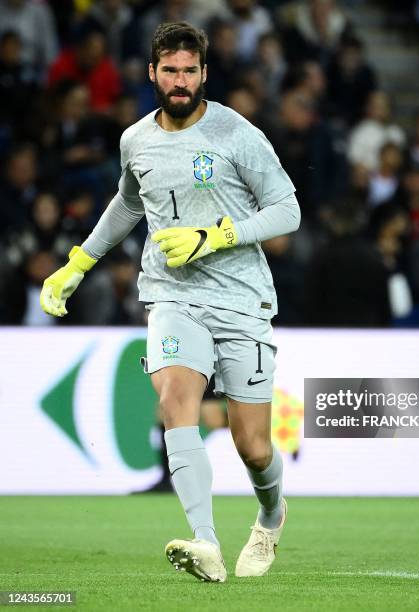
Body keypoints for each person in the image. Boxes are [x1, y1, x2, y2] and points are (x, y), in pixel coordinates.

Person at [39, 21, 300, 583]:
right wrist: (77, 263)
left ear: (204, 73)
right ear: (152, 74)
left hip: (241, 298)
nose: (180, 82)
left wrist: (217, 235)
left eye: (190, 71)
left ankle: (271, 514)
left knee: (253, 446)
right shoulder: (135, 140)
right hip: (171, 295)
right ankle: (205, 542)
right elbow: (127, 203)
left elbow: (287, 210)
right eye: (170, 71)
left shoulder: (238, 134)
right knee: (177, 397)